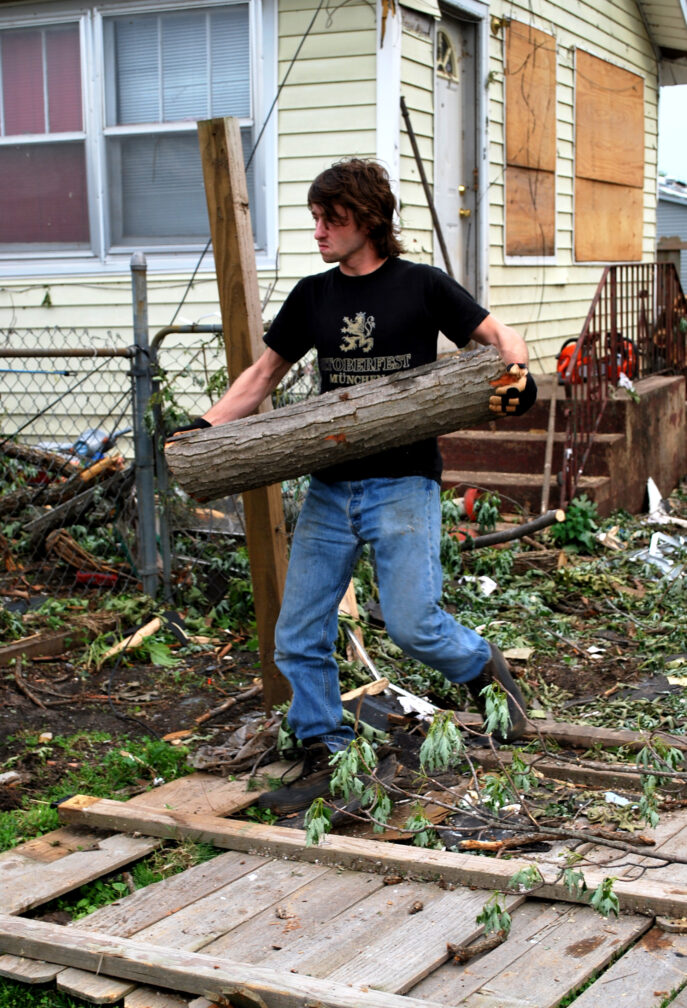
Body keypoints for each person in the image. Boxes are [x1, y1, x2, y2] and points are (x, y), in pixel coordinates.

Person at [173, 158, 537, 810]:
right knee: (299, 632)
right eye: (314, 219)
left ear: (365, 220)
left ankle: (488, 674)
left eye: (329, 219)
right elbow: (263, 376)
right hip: (331, 490)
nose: (317, 231)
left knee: (412, 624)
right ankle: (332, 755)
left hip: (403, 485)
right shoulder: (314, 296)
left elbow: (493, 336)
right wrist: (200, 427)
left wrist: (514, 369)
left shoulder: (421, 286)